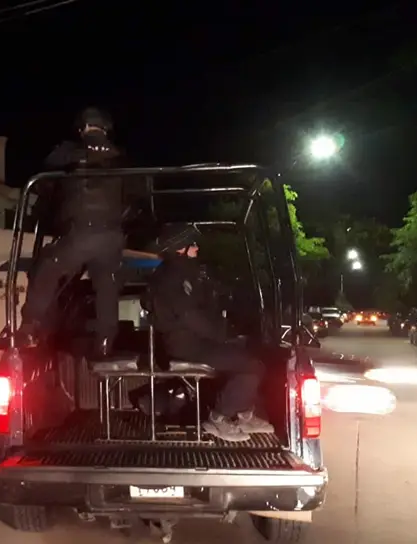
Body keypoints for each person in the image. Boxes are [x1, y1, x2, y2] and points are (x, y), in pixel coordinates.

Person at [146, 223, 273, 442]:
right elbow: (190, 316)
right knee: (250, 366)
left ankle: (243, 415)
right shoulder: (170, 278)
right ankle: (219, 418)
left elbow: (205, 306)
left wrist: (227, 328)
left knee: (255, 361)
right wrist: (221, 335)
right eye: (192, 244)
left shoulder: (185, 271)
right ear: (180, 249)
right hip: (186, 346)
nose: (197, 247)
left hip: (197, 341)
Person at [18, 107, 126, 360]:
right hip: (112, 236)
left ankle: (30, 327)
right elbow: (137, 195)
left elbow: (45, 182)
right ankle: (105, 342)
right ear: (106, 128)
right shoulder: (120, 157)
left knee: (47, 266)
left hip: (80, 233)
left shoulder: (67, 152)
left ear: (82, 128)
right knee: (107, 284)